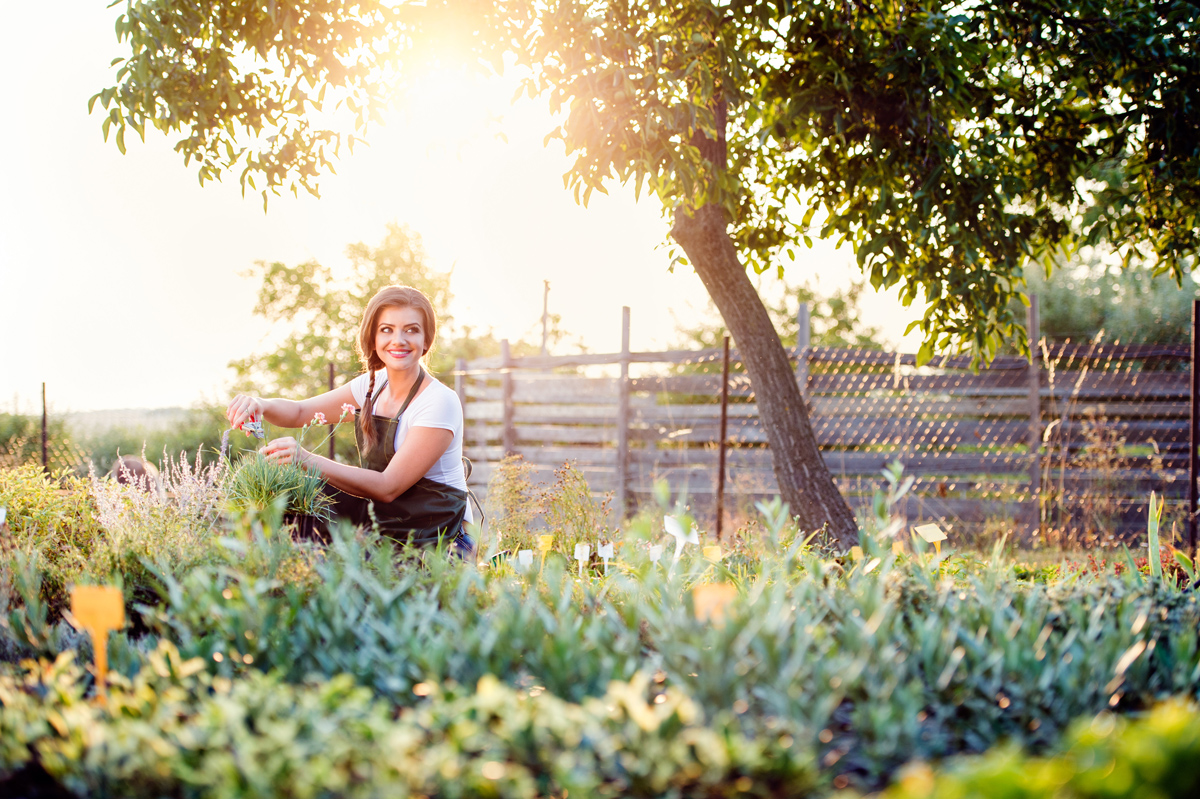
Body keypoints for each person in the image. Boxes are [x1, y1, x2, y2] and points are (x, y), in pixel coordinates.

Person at [226, 285, 473, 557]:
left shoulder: (439, 402)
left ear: (426, 340)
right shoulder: (371, 386)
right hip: (384, 523)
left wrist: (306, 459)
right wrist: (261, 404)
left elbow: (388, 487)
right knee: (288, 497)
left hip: (439, 538)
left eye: (411, 329)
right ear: (373, 336)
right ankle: (262, 574)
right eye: (387, 329)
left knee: (312, 484)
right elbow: (298, 412)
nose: (399, 340)